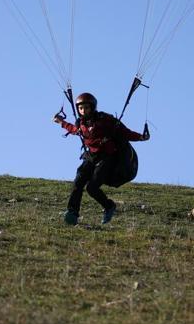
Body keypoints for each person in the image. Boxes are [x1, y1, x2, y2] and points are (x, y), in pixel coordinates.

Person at [53, 92, 149, 225]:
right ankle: (72, 212)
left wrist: (140, 137)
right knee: (78, 181)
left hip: (107, 157)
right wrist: (61, 122)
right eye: (81, 108)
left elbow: (124, 132)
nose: (83, 111)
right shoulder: (81, 123)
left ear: (92, 107)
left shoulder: (105, 120)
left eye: (86, 108)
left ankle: (109, 206)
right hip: (91, 157)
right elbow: (74, 130)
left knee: (92, 188)